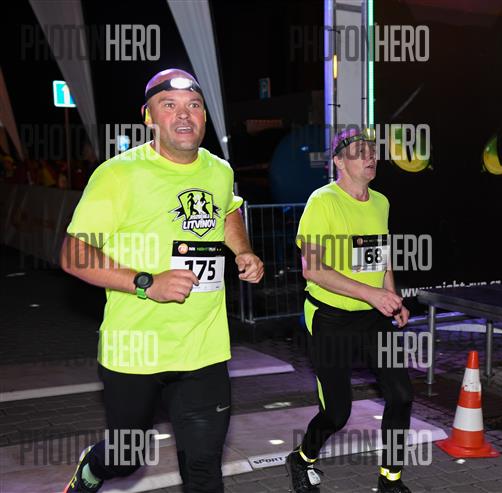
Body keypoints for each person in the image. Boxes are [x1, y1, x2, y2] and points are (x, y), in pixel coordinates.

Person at [60, 69, 264, 493]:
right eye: (169, 106)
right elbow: (73, 255)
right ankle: (93, 468)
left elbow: (228, 210)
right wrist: (146, 282)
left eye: (194, 106)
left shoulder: (219, 170)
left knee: (204, 468)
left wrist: (242, 250)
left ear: (205, 115)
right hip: (136, 349)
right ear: (149, 117)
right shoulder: (118, 174)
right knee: (126, 458)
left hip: (203, 347)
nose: (184, 115)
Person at [286, 127, 414, 493]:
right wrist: (371, 294)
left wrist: (391, 297)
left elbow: (381, 257)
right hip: (331, 317)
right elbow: (312, 269)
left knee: (401, 395)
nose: (370, 156)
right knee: (337, 412)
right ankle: (302, 458)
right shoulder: (322, 202)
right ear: (339, 162)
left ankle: (391, 479)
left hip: (373, 317)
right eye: (359, 152)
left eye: (372, 150)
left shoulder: (381, 202)